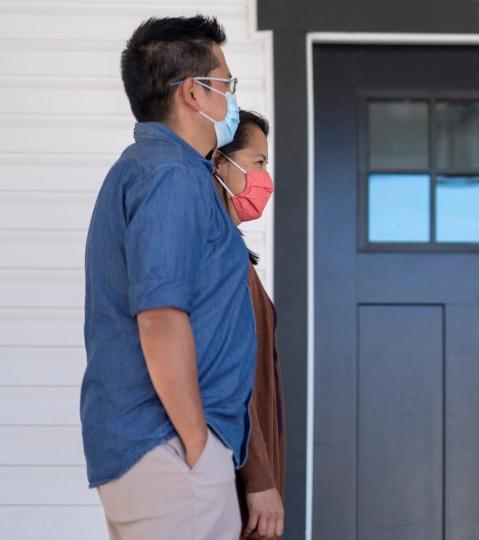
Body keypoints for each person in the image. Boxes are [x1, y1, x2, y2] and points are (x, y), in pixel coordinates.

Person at [80, 16, 255, 540]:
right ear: (192, 93)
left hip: (158, 449)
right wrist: (197, 445)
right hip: (171, 451)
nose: (230, 98)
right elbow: (159, 318)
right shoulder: (171, 175)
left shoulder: (150, 168)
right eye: (225, 83)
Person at [208, 110, 285, 540]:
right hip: (235, 477)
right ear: (220, 162)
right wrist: (259, 477)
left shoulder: (233, 252)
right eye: (258, 162)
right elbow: (230, 376)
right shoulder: (221, 256)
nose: (265, 178)